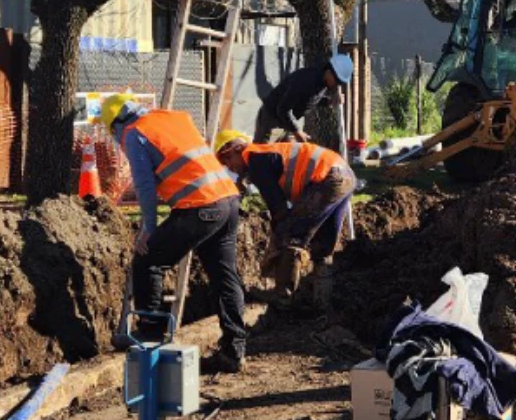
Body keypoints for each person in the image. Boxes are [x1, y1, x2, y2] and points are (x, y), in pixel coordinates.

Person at [101, 93, 247, 373]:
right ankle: (234, 351)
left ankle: (150, 335)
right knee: (224, 276)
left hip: (201, 207)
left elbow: (145, 187)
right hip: (228, 200)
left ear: (116, 125)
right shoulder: (170, 118)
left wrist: (148, 230)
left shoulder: (134, 133)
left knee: (149, 260)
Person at [214, 129, 356, 308]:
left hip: (328, 177)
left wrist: (276, 240)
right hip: (345, 175)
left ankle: (283, 297)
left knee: (290, 233)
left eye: (226, 159)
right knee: (324, 243)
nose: (228, 166)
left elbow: (279, 210)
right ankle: (322, 302)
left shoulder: (256, 161)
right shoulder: (265, 155)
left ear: (238, 148)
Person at [254, 53, 353, 144]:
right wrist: (297, 132)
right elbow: (283, 109)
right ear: (329, 72)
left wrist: (330, 101)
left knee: (284, 156)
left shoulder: (322, 82)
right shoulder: (306, 80)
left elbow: (309, 100)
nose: (336, 85)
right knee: (262, 154)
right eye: (337, 81)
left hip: (286, 121)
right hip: (271, 117)